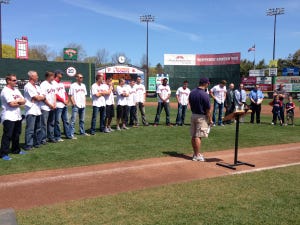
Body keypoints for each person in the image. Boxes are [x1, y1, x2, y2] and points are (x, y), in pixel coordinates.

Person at [0, 74, 26, 160]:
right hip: (8, 116)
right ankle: (3, 154)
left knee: (16, 134)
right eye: (14, 80)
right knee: (7, 135)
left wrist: (17, 102)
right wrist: (19, 102)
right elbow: (11, 104)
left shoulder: (16, 90)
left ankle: (16, 150)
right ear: (8, 81)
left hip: (17, 116)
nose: (16, 82)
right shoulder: (5, 91)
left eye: (16, 80)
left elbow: (24, 100)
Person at [188, 77, 212, 162]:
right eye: (208, 83)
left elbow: (190, 103)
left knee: (194, 135)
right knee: (198, 136)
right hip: (201, 117)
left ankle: (195, 153)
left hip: (193, 115)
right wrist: (210, 120)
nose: (208, 84)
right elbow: (208, 110)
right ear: (205, 83)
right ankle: (197, 155)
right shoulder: (205, 94)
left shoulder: (192, 92)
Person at [23, 71, 45, 150]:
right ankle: (28, 144)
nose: (38, 77)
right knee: (30, 129)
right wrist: (39, 97)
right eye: (36, 76)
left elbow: (43, 96)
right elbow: (37, 98)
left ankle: (36, 143)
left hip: (38, 110)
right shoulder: (28, 86)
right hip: (31, 110)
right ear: (31, 77)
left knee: (38, 128)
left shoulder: (37, 86)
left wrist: (39, 97)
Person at [53, 70, 73, 141]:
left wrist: (67, 99)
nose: (62, 75)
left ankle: (68, 135)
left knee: (66, 120)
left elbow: (64, 93)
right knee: (57, 121)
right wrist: (63, 100)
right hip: (58, 105)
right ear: (57, 74)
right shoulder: (53, 83)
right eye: (61, 74)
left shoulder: (61, 84)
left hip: (64, 105)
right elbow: (55, 94)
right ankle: (57, 136)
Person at [40, 71, 57, 144]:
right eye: (52, 76)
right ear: (48, 76)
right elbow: (43, 97)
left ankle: (51, 137)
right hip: (45, 107)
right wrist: (50, 105)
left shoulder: (53, 84)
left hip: (52, 107)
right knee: (44, 124)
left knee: (51, 123)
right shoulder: (43, 84)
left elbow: (55, 95)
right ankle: (43, 139)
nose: (53, 77)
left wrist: (54, 103)